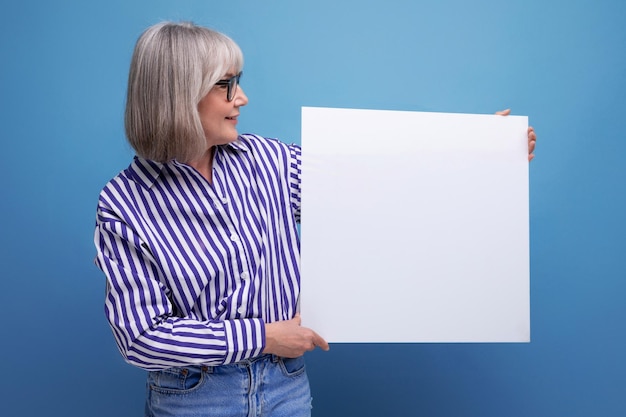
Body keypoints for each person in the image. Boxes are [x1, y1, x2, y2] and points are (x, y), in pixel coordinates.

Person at [94, 21, 537, 417]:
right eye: (225, 85)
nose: (242, 98)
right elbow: (141, 338)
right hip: (195, 397)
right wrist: (265, 336)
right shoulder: (124, 204)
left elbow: (373, 188)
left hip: (285, 387)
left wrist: (481, 154)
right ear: (178, 93)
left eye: (239, 82)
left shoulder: (267, 161)